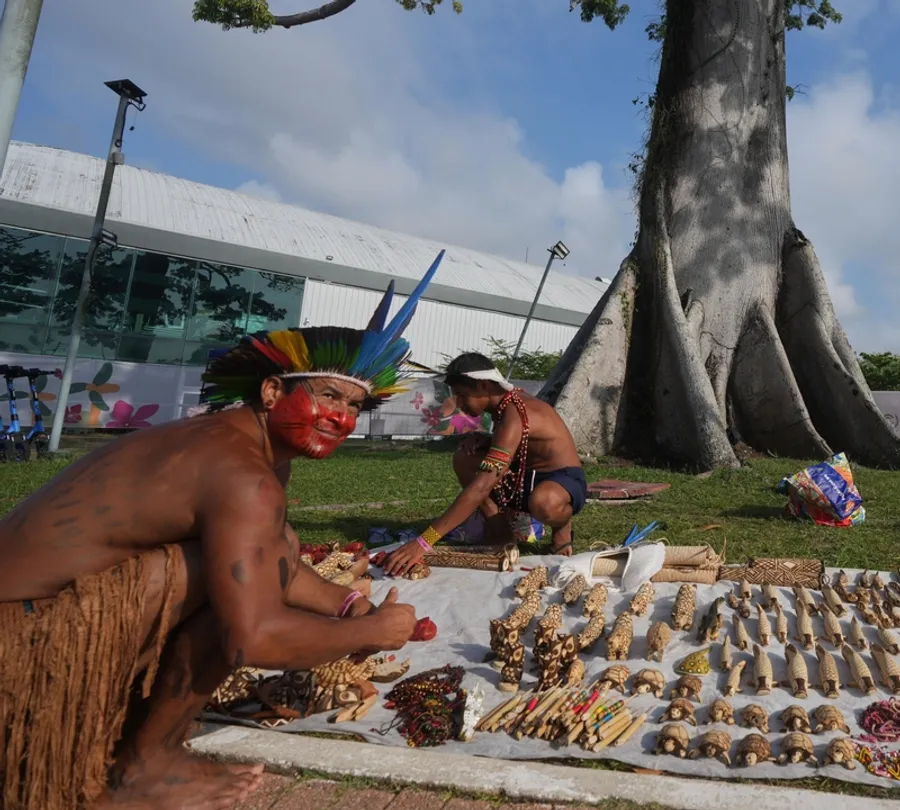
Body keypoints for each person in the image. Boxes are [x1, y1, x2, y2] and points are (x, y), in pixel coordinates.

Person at [0, 259, 441, 809]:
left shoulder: (250, 448)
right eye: (329, 396)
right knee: (228, 593)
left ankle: (140, 748)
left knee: (243, 562)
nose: (343, 418)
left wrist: (345, 601)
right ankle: (142, 766)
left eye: (354, 405)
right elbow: (254, 638)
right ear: (274, 390)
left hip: (34, 616)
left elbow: (273, 552)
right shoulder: (242, 475)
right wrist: (372, 632)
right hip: (21, 643)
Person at [384, 352, 586, 573]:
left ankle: (562, 526)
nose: (459, 404)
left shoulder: (515, 412)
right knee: (465, 458)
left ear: (483, 386)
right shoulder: (506, 405)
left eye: (462, 395)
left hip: (562, 479)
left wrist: (423, 542)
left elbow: (482, 487)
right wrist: (487, 441)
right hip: (524, 477)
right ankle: (501, 534)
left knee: (544, 502)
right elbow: (522, 443)